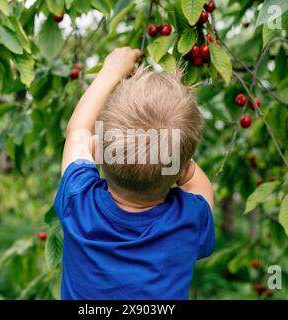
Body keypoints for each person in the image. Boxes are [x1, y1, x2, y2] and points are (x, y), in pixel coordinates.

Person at [54, 47, 215, 299]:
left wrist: (111, 71)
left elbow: (77, 132)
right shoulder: (189, 220)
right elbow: (202, 188)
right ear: (185, 170)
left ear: (96, 149)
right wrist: (172, 153)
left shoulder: (78, 200)